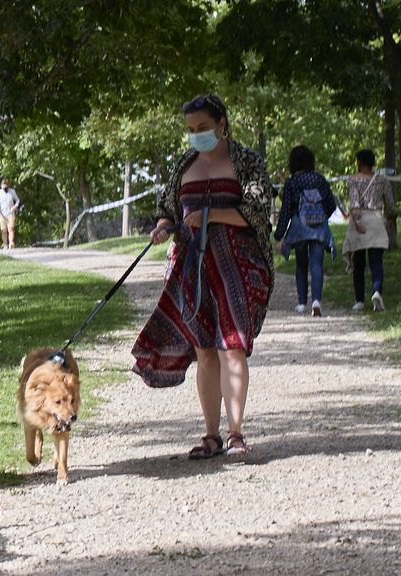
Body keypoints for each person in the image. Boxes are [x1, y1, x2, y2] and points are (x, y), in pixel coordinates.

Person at [131, 93, 274, 458]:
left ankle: (235, 433)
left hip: (236, 265)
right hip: (190, 267)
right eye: (191, 130)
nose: (197, 135)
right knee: (205, 350)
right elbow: (167, 209)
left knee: (233, 346)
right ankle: (211, 434)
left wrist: (210, 214)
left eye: (203, 128)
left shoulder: (248, 162)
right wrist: (164, 227)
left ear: (222, 123)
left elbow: (257, 214)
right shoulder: (184, 164)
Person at [273, 146, 336, 317]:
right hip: (319, 229)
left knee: (301, 264)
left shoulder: (292, 182)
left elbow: (285, 210)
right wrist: (321, 216)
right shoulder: (320, 179)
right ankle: (317, 301)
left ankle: (301, 303)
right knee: (317, 264)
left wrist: (279, 235)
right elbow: (331, 204)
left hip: (299, 228)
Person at [342, 149, 395, 312]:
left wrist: (357, 223)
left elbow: (355, 203)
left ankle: (359, 300)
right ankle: (377, 292)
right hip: (377, 221)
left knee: (358, 262)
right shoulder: (383, 180)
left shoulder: (353, 180)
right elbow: (391, 206)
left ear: (360, 162)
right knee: (376, 262)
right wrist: (389, 218)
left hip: (361, 221)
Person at [0, 179, 21, 250]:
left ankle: (11, 242)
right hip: (2, 214)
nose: (5, 188)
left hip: (10, 213)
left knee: (11, 228)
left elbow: (17, 200)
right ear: (1, 186)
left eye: (6, 187)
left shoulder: (12, 192)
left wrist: (15, 206)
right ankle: (5, 244)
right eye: (3, 187)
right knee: (3, 230)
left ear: (8, 185)